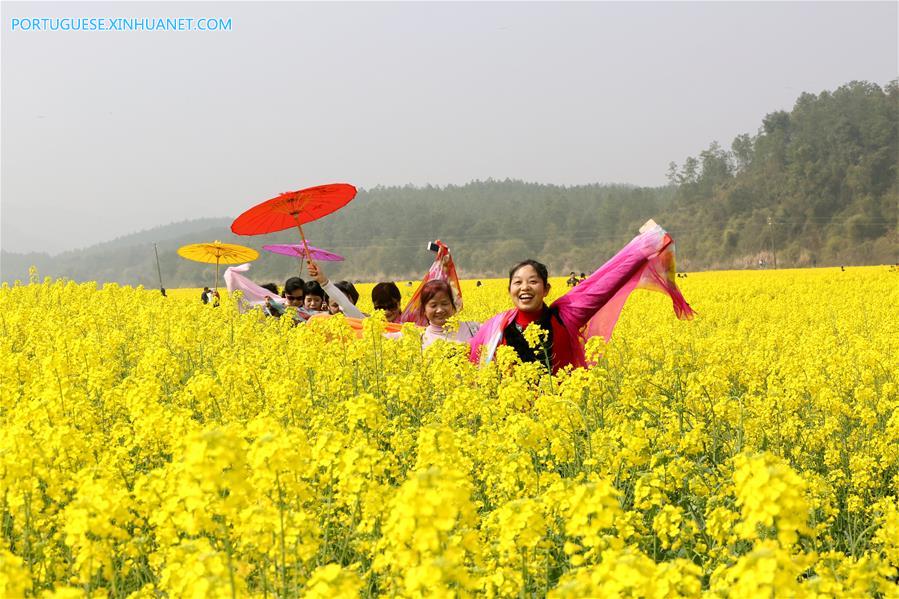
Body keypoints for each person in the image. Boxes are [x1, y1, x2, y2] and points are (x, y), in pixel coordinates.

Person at [468, 221, 693, 373]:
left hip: (562, 422)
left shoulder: (565, 315)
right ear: (509, 290)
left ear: (546, 289)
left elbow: (605, 282)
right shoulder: (497, 326)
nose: (524, 287)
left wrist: (648, 245)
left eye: (533, 281)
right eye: (517, 282)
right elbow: (468, 357)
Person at [414, 280, 479, 348]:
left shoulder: (473, 329)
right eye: (433, 305)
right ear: (424, 310)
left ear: (453, 305)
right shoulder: (420, 341)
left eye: (444, 304)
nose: (440, 310)